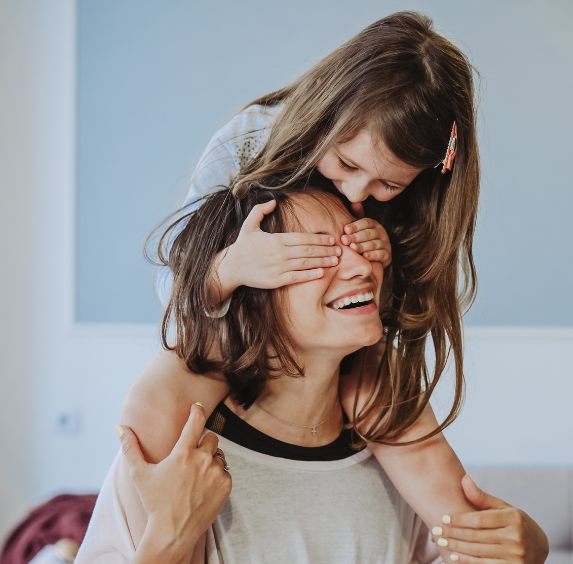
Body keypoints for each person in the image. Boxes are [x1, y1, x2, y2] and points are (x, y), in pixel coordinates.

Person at [116, 11, 548, 563]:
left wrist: (384, 262)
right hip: (223, 323)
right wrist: (230, 267)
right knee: (170, 386)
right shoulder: (253, 138)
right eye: (345, 164)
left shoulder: (414, 206)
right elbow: (174, 303)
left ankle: (479, 542)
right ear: (327, 111)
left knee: (381, 396)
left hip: (344, 346)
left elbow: (384, 316)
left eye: (388, 184)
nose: (358, 191)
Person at [77, 185, 546, 563]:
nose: (363, 266)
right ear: (252, 287)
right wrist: (169, 540)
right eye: (319, 253)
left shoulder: (390, 458)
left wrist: (528, 550)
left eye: (358, 243)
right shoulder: (176, 463)